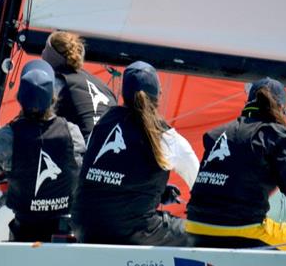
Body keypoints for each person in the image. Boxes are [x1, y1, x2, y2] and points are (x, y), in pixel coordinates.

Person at [185, 77, 286, 252]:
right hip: (241, 229)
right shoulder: (278, 134)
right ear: (282, 108)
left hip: (195, 227)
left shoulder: (215, 134)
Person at [71, 61, 199, 246]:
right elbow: (201, 187)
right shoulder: (166, 136)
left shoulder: (103, 122)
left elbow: (104, 176)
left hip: (85, 227)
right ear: (158, 95)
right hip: (132, 232)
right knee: (198, 233)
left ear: (124, 93)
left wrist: (157, 192)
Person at [0, 60, 86, 242]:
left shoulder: (7, 136)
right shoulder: (72, 133)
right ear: (53, 97)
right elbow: (79, 175)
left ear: (20, 98)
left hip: (24, 235)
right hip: (64, 234)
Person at [41, 31, 117, 142]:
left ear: (50, 58)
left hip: (86, 153)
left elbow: (37, 118)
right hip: (111, 150)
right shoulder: (104, 87)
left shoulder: (58, 84)